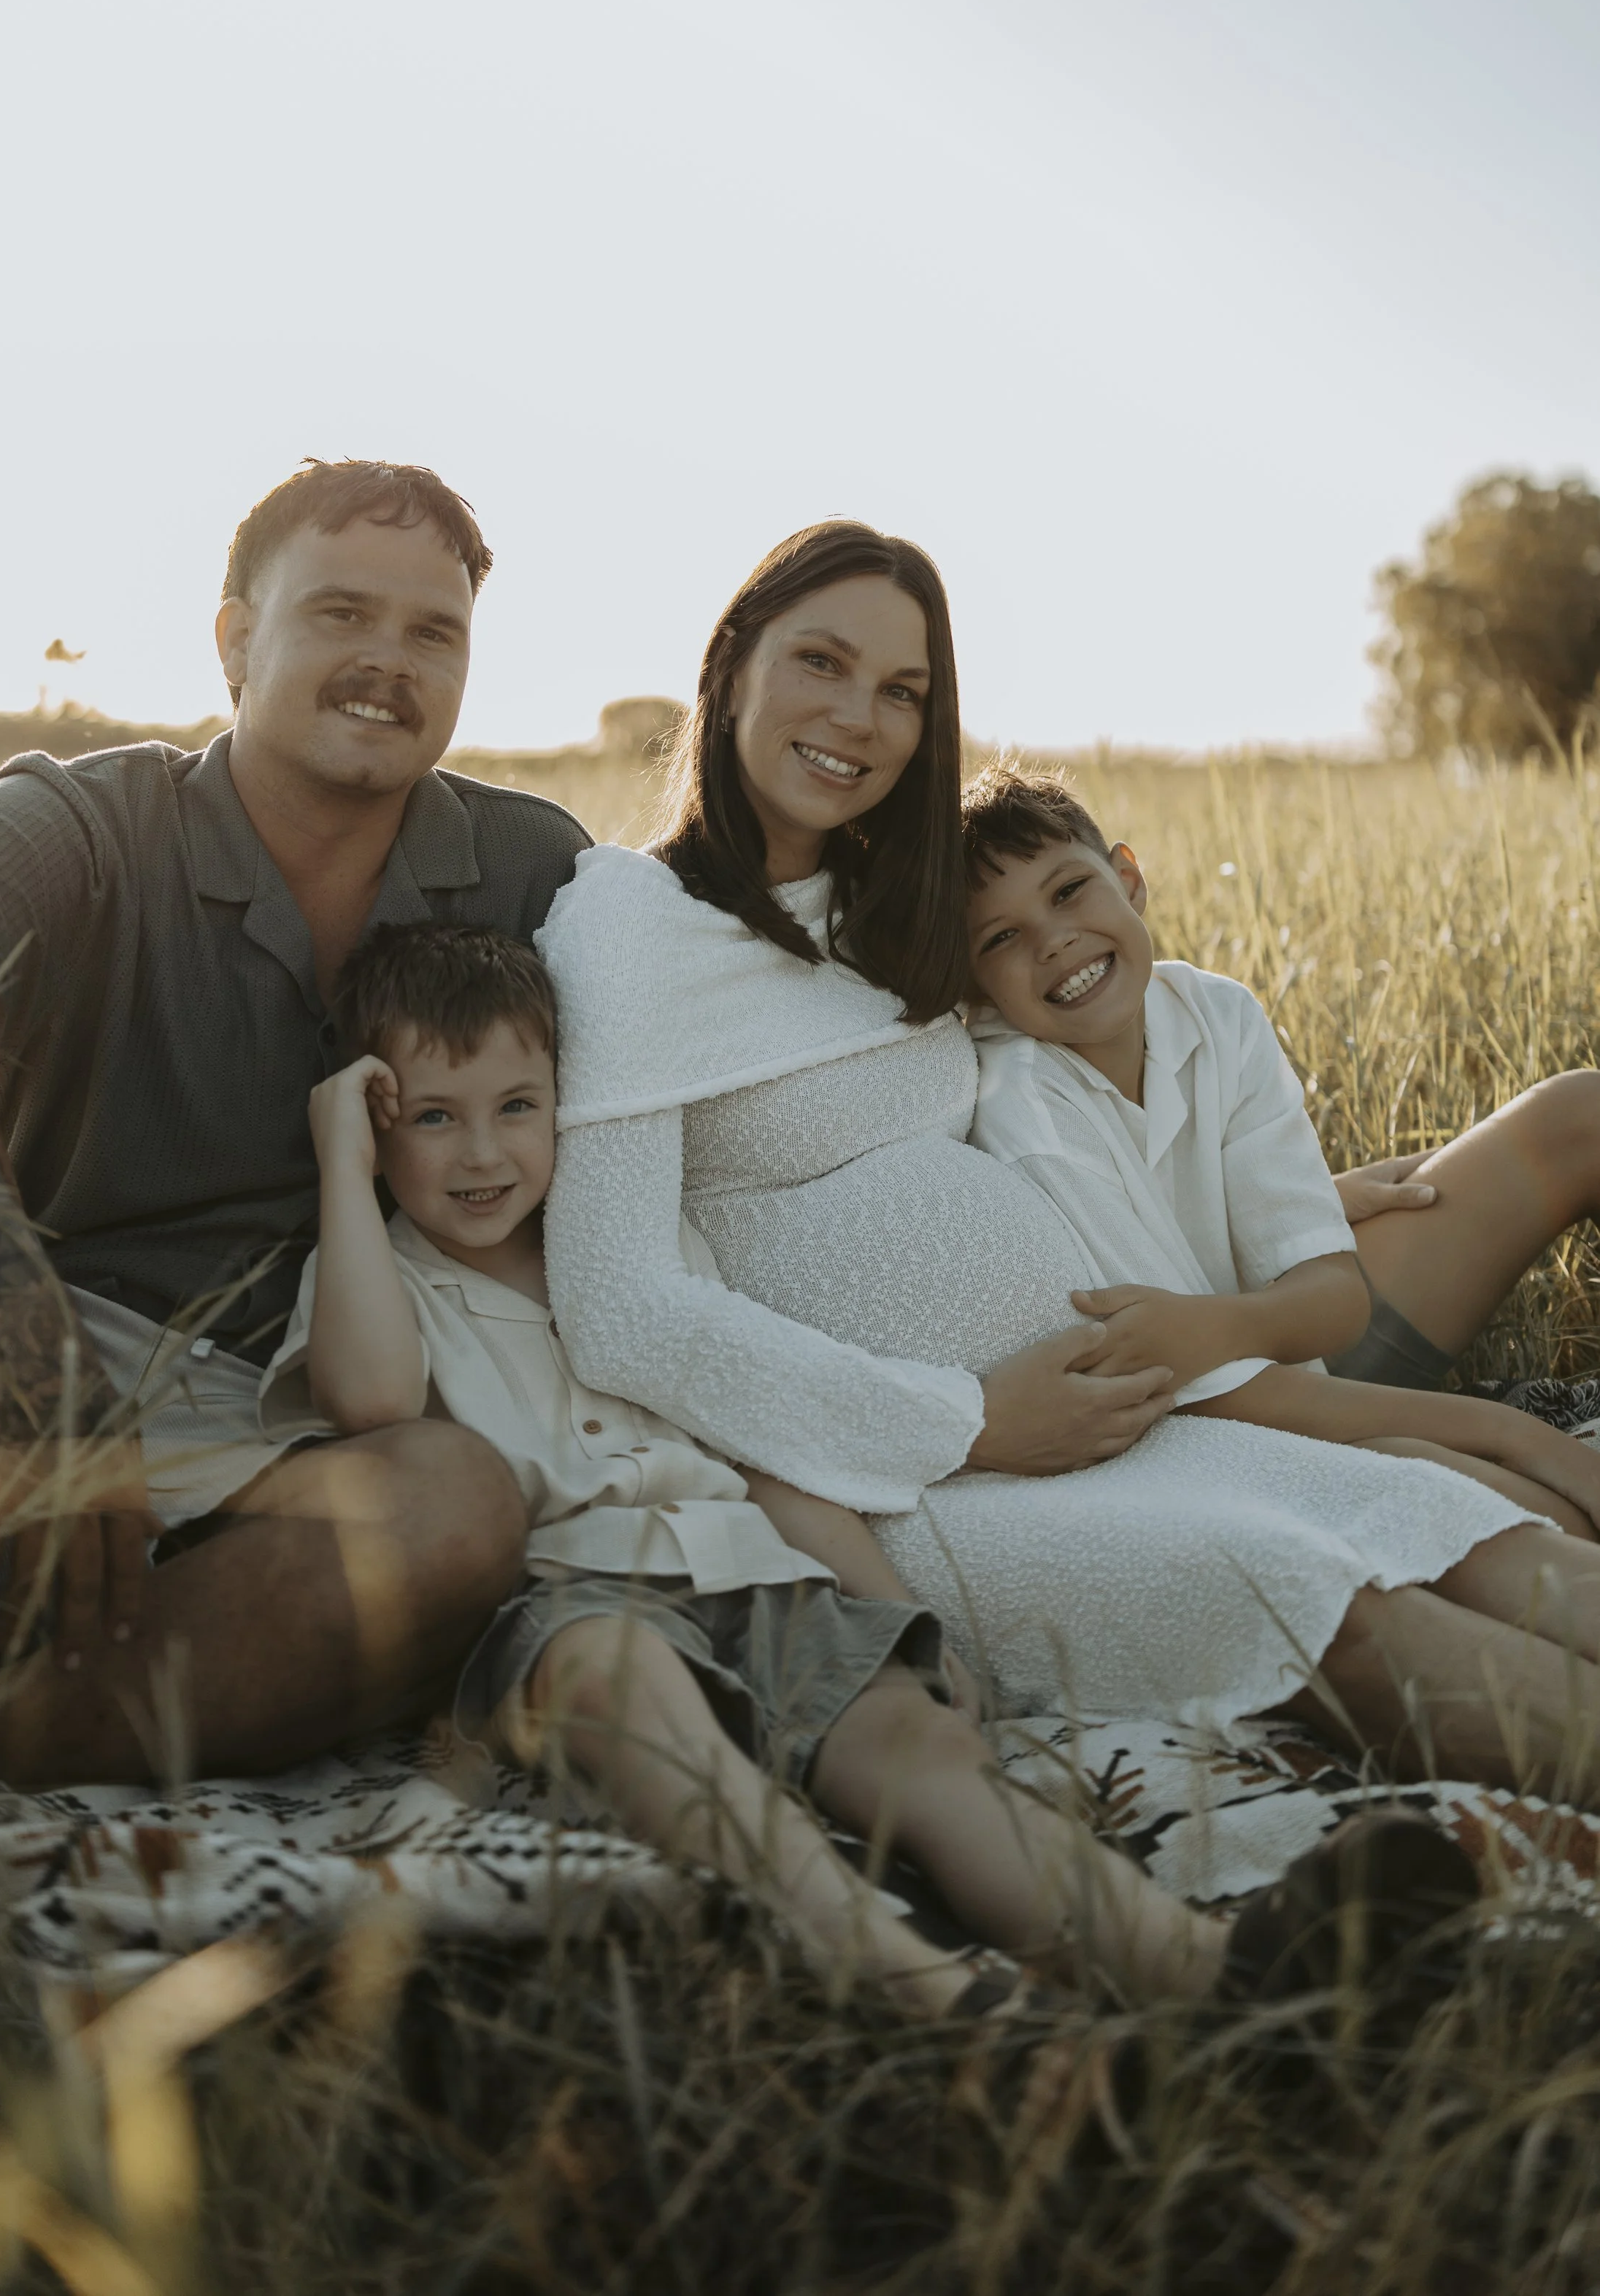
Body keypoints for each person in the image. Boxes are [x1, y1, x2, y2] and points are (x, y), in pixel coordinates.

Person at [536, 518, 1600, 1799]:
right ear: (731, 666)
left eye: (903, 692)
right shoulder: (631, 926)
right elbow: (621, 1307)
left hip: (1133, 1405)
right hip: (921, 1479)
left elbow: (1071, 1090)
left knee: (1474, 1534)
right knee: (1342, 1605)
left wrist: (1299, 1207)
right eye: (821, 662)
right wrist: (972, 1424)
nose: (859, 716)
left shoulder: (897, 915)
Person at [275, 917, 1477, 2016]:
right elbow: (374, 1398)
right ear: (377, 1124)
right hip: (571, 1603)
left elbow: (769, 1456)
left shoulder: (623, 1252)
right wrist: (342, 1162)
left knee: (920, 1747)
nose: (482, 1154)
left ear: (564, 1108)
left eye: (517, 1108)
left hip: (754, 1578)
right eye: (433, 1118)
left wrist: (891, 1616)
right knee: (610, 1670)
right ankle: (922, 1985)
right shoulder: (378, 1278)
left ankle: (1211, 1975)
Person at [0, 458, 585, 1786]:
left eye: (433, 632)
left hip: (298, 1435)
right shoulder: (86, 822)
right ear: (235, 637)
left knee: (456, 1512)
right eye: (340, 614)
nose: (389, 660)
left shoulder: (531, 868)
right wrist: (12, 1321)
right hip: (19, 1371)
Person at [960, 759, 1600, 1540]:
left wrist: (1225, 1312)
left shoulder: (1213, 1011)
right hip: (1227, 1437)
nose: (1055, 941)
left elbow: (1334, 1303)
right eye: (1002, 937)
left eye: (1068, 890)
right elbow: (1212, 1394)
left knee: (1579, 1110)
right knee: (1542, 1519)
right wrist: (1515, 1435)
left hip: (1285, 1361)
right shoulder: (1022, 1101)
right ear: (972, 989)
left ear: (1128, 878)